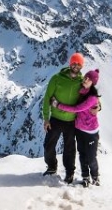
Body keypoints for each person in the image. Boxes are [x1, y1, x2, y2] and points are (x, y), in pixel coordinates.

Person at [52, 69, 101, 187]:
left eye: (89, 79)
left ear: (93, 83)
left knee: (91, 157)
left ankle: (95, 177)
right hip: (79, 129)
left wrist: (58, 105)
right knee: (82, 154)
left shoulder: (92, 98)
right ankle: (85, 177)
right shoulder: (81, 90)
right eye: (86, 77)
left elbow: (76, 108)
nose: (86, 79)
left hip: (90, 131)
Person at [42, 52, 85, 183]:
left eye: (79, 64)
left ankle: (70, 173)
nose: (76, 65)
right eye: (74, 63)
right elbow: (47, 98)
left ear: (81, 66)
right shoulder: (57, 78)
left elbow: (92, 97)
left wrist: (97, 106)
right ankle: (51, 166)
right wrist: (46, 118)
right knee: (48, 145)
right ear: (70, 63)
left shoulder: (82, 82)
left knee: (70, 149)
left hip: (72, 121)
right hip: (56, 118)